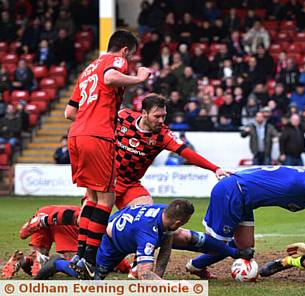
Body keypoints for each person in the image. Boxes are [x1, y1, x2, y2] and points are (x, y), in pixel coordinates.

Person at [63, 30, 151, 277]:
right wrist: (139, 78)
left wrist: (90, 117)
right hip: (98, 136)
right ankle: (90, 259)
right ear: (125, 50)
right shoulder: (116, 60)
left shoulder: (88, 68)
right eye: (130, 55)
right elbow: (112, 78)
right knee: (107, 199)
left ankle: (81, 256)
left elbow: (69, 112)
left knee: (91, 197)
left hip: (76, 135)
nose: (129, 60)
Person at [186, 166, 305, 277]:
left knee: (245, 249)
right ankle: (179, 239)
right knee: (217, 243)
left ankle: (196, 265)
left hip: (245, 200)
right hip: (233, 190)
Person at [93, 200, 253, 280]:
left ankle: (234, 252)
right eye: (185, 220)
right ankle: (69, 265)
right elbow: (145, 275)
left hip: (128, 226)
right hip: (112, 243)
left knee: (184, 236)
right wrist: (173, 286)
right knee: (90, 275)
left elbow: (165, 249)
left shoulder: (164, 212)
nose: (185, 223)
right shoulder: (148, 235)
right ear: (178, 221)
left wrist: (160, 279)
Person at [8, 205, 130, 280]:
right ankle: (44, 225)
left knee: (41, 259)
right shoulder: (116, 250)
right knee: (77, 266)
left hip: (49, 211)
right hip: (69, 219)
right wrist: (127, 268)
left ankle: (25, 260)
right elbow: (123, 266)